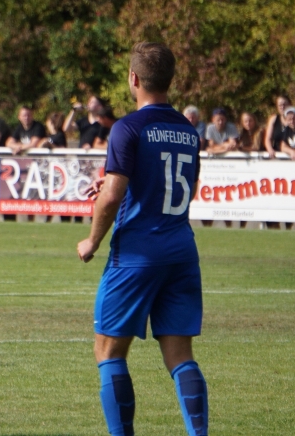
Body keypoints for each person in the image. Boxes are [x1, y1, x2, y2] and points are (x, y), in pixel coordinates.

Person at [76, 42, 207, 436]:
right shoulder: (188, 130)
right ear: (169, 80)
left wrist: (92, 241)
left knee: (108, 351)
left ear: (133, 79)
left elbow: (112, 196)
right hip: (181, 250)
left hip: (136, 253)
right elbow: (186, 186)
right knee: (180, 355)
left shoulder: (127, 127)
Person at [263, 94, 291, 159]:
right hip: (277, 155)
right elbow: (267, 138)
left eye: (284, 104)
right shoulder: (273, 119)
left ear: (290, 105)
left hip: (293, 154)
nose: (282, 107)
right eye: (280, 105)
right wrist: (270, 149)